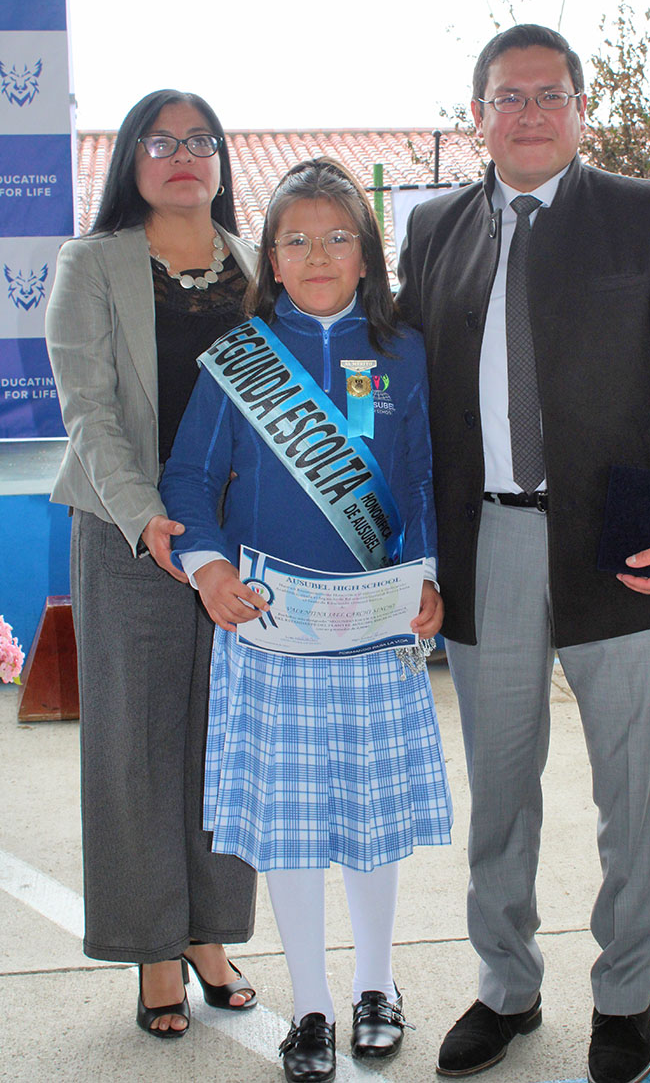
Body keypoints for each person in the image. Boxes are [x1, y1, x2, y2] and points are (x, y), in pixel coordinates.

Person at [397, 24, 650, 1083]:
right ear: (478, 117)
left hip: (624, 544)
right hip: (485, 543)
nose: (532, 112)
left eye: (551, 94)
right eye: (510, 96)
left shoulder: (642, 218)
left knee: (632, 789)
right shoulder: (435, 229)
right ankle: (507, 988)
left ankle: (624, 997)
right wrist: (410, 559)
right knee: (501, 791)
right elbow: (410, 409)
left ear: (582, 112)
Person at [159, 157, 453, 1082]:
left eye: (338, 236)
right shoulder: (241, 357)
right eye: (296, 239)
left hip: (374, 626)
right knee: (288, 829)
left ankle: (376, 985)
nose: (318, 252)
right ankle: (313, 1006)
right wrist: (206, 571)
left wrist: (432, 576)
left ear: (367, 255)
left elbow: (425, 479)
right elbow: (188, 483)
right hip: (273, 628)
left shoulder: (404, 352)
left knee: (368, 819)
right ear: (271, 260)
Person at [45, 89, 258, 1038]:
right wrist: (148, 519)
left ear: (220, 158)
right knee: (135, 748)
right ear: (131, 158)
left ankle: (211, 931)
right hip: (131, 538)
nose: (184, 155)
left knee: (227, 747)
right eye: (162, 141)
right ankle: (152, 949)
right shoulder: (91, 263)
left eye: (201, 140)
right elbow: (87, 412)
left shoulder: (261, 267)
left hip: (240, 546)